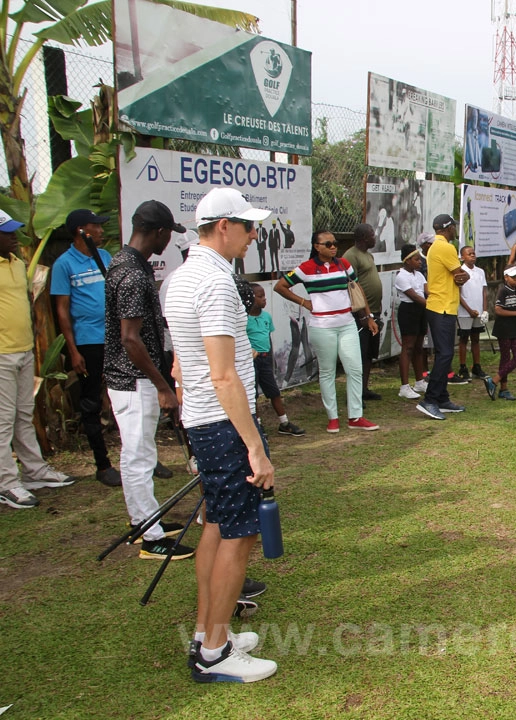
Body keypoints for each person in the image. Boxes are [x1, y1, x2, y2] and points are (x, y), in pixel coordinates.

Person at [163, 186, 278, 683]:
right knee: (240, 532)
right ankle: (214, 651)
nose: (254, 235)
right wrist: (255, 447)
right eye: (248, 227)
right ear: (224, 227)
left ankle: (209, 631)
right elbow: (223, 374)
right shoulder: (211, 283)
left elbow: (183, 364)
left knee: (215, 525)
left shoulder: (184, 276)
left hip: (204, 421)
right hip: (223, 425)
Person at [104, 200, 192, 558]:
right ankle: (151, 537)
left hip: (132, 377)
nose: (168, 241)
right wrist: (162, 386)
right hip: (133, 379)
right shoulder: (132, 273)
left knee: (140, 452)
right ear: (159, 232)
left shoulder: (125, 263)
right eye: (169, 234)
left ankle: (145, 517)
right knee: (138, 456)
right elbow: (129, 338)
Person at [0, 211, 75, 510]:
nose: (15, 238)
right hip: (2, 355)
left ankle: (33, 470)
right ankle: (6, 482)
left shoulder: (17, 264)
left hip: (23, 350)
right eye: (7, 233)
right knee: (3, 420)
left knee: (23, 414)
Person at [275, 232, 378, 433]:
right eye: (328, 244)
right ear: (316, 246)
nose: (333, 247)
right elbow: (281, 286)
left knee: (355, 369)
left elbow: (358, 289)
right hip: (322, 326)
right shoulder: (306, 268)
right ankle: (333, 418)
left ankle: (355, 416)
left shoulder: (344, 265)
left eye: (335, 243)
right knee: (328, 371)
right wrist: (304, 302)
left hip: (347, 323)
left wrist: (368, 316)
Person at [51, 208, 120, 487]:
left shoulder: (104, 257)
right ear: (81, 231)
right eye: (97, 226)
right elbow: (62, 310)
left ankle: (141, 459)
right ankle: (102, 465)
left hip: (113, 338)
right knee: (91, 401)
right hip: (87, 341)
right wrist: (74, 350)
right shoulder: (64, 264)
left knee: (124, 396)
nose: (102, 231)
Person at [416, 214, 469, 421]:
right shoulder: (446, 247)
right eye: (454, 226)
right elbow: (461, 274)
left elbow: (458, 277)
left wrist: (462, 278)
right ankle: (429, 400)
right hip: (442, 308)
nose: (456, 229)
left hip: (442, 306)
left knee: (444, 353)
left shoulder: (436, 247)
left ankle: (442, 399)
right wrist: (465, 276)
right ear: (448, 228)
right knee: (445, 354)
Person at [246, 285, 305, 437]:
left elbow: (268, 338)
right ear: (250, 298)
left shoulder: (266, 317)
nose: (264, 299)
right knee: (252, 394)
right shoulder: (244, 319)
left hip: (265, 360)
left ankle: (284, 422)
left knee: (274, 392)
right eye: (260, 296)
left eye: (264, 295)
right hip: (250, 361)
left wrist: (271, 358)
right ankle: (257, 425)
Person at [343, 223, 384, 402]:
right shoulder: (351, 256)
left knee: (369, 355)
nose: (375, 238)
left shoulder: (368, 255)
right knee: (358, 354)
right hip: (360, 314)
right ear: (363, 238)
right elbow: (350, 286)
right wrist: (362, 315)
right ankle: (354, 394)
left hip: (373, 311)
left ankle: (364, 389)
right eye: (372, 234)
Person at [483, 266, 516, 401]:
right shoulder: (503, 290)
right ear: (506, 277)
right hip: (504, 328)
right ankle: (502, 387)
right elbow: (498, 310)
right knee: (506, 357)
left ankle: (495, 382)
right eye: (514, 277)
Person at [393, 244, 428, 400]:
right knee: (408, 347)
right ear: (407, 261)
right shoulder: (401, 276)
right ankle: (404, 386)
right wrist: (432, 305)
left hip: (421, 311)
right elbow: (414, 296)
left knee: (419, 347)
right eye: (416, 259)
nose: (420, 262)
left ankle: (419, 381)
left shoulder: (419, 275)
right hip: (409, 311)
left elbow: (427, 291)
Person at [457, 245, 488, 380]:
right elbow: (458, 294)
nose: (472, 255)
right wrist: (469, 310)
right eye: (469, 254)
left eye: (474, 253)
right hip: (465, 312)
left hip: (478, 311)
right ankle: (463, 367)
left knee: (476, 339)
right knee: (464, 339)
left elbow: (484, 292)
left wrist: (484, 310)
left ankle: (476, 366)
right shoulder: (459, 272)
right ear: (462, 257)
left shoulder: (480, 272)